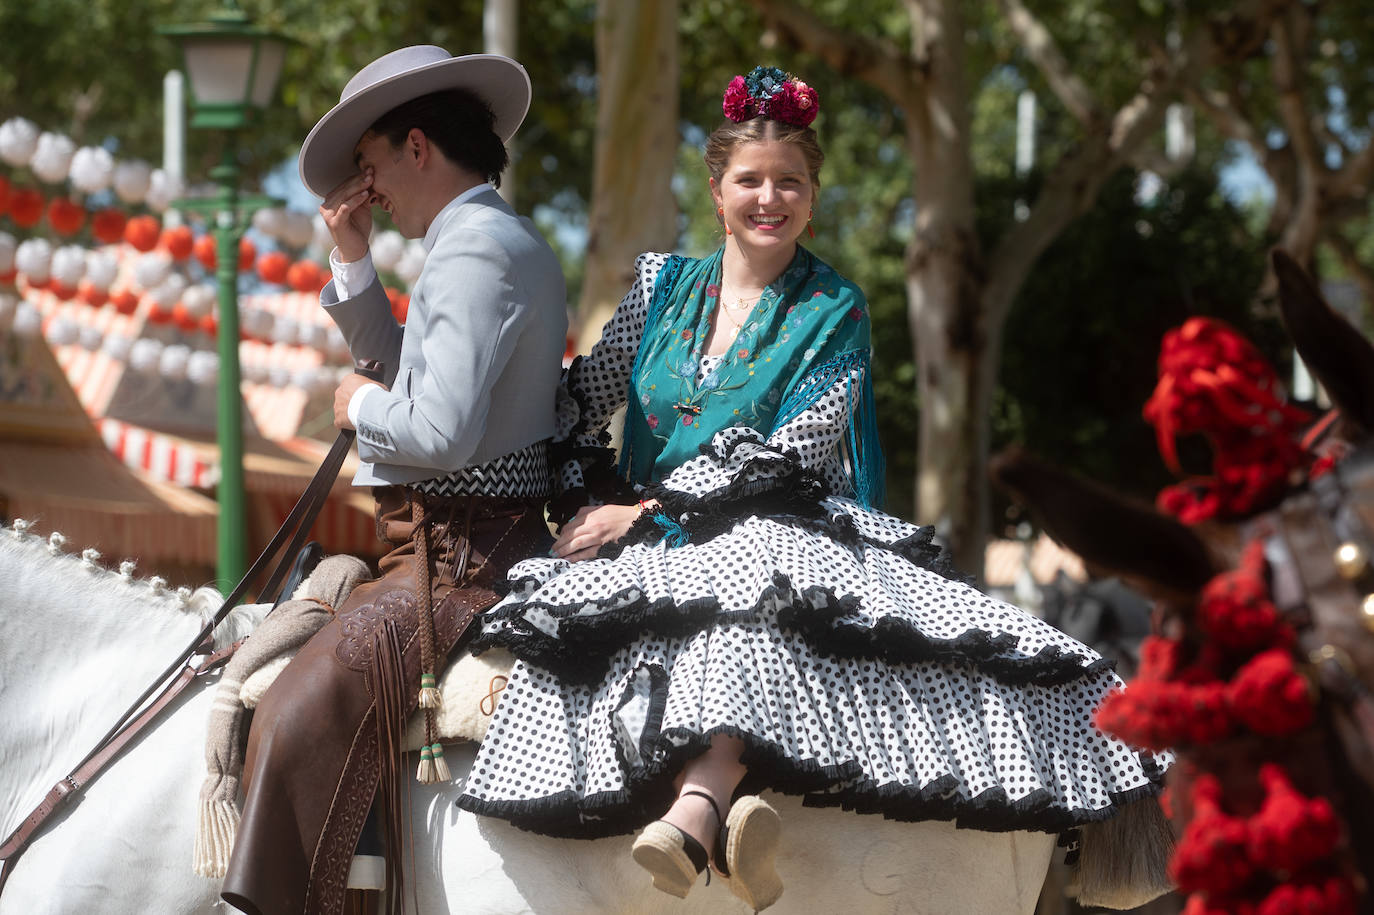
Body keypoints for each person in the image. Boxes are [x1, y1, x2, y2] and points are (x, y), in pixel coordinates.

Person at [454, 66, 1170, 912]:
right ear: (716, 189)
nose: (770, 197)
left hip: (780, 518)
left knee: (756, 579)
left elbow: (790, 455)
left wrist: (642, 509)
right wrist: (587, 500)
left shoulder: (836, 307)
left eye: (789, 181)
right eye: (750, 180)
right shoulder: (656, 288)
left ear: (812, 195)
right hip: (647, 531)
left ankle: (705, 798)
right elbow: (580, 398)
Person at [220, 46, 567, 915]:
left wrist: (355, 405)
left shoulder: (474, 248)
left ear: (419, 147)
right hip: (436, 550)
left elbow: (435, 430)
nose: (366, 189)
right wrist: (351, 258)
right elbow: (411, 375)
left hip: (462, 566)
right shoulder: (481, 236)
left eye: (371, 168)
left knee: (295, 710)